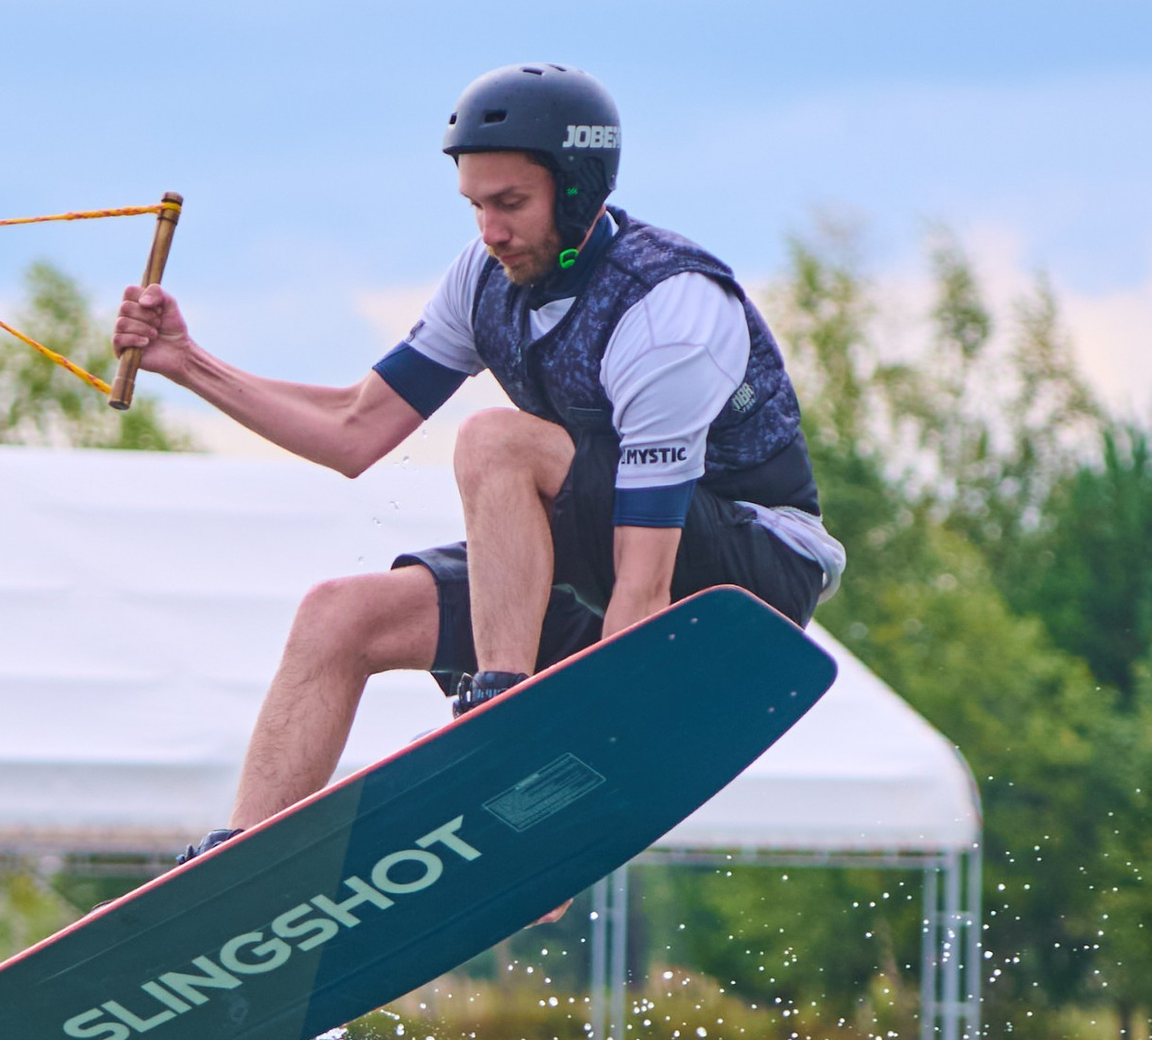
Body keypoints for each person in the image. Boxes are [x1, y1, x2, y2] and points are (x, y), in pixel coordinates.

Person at [112, 61, 843, 828]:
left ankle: (503, 724)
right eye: (476, 206)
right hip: (599, 563)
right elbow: (353, 431)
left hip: (744, 582)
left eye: (511, 204)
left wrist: (581, 783)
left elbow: (644, 587)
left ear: (579, 189)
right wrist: (188, 365)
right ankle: (245, 870)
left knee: (496, 441)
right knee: (338, 616)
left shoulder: (665, 310)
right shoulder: (482, 279)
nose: (491, 231)